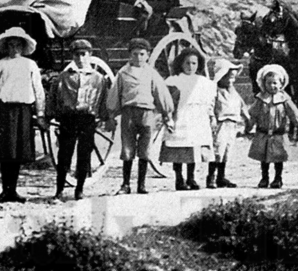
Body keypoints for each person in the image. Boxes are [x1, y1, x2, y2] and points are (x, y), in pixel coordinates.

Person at [0, 27, 47, 203]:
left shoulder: (30, 65)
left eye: (18, 45)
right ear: (6, 47)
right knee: (5, 152)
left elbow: (38, 90)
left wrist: (40, 113)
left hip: (23, 111)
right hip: (5, 110)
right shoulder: (0, 64)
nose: (14, 49)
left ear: (22, 47)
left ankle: (13, 190)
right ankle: (5, 190)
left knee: (18, 152)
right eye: (11, 45)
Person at [106, 38, 174, 195]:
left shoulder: (151, 73)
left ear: (148, 55)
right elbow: (115, 94)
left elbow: (161, 94)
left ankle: (141, 185)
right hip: (129, 113)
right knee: (127, 149)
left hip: (146, 114)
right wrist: (111, 114)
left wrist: (166, 113)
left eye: (142, 54)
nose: (138, 58)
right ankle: (125, 184)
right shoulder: (123, 74)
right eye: (135, 54)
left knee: (145, 150)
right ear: (129, 55)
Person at [49, 39, 111, 201]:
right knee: (64, 155)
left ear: (90, 55)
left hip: (87, 119)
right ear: (73, 57)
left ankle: (79, 189)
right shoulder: (64, 77)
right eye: (77, 55)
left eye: (83, 54)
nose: (80, 58)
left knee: (84, 155)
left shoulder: (98, 78)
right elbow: (54, 96)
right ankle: (59, 190)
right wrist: (52, 114)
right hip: (68, 119)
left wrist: (104, 117)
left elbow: (103, 99)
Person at [158, 48, 216, 191]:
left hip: (198, 118)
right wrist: (168, 118)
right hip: (181, 116)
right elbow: (168, 102)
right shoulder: (174, 81)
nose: (190, 67)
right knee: (179, 149)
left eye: (194, 63)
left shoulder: (204, 83)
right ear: (181, 64)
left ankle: (191, 177)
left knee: (194, 149)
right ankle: (179, 178)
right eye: (187, 63)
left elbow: (209, 103)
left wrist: (211, 116)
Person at [246, 63, 298, 189]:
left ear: (281, 83)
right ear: (264, 84)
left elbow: (293, 113)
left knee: (279, 157)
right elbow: (253, 114)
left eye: (275, 83)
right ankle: (264, 177)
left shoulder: (284, 99)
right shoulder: (260, 99)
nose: (272, 86)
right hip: (263, 133)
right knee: (264, 157)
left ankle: (278, 178)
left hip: (279, 134)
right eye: (269, 83)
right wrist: (248, 126)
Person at [210, 58, 248, 189]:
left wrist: (247, 116)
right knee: (217, 150)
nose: (231, 81)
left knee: (227, 150)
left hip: (233, 124)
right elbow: (210, 107)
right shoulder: (215, 91)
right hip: (221, 123)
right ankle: (211, 177)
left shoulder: (233, 91)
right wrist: (212, 118)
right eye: (228, 77)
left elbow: (241, 104)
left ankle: (221, 176)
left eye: (233, 78)